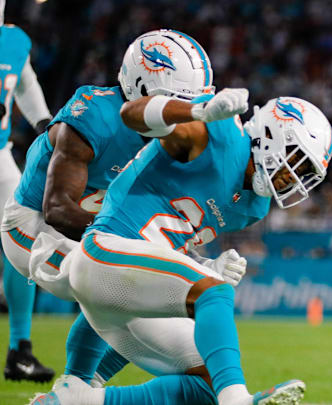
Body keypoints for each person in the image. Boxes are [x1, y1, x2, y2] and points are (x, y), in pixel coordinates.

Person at [28, 87, 332, 405]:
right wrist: (197, 112)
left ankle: (75, 398)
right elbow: (131, 113)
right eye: (296, 162)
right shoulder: (220, 134)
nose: (294, 178)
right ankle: (237, 400)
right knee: (213, 292)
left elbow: (167, 241)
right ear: (272, 134)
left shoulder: (253, 206)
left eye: (304, 173)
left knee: (206, 384)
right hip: (105, 249)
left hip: (126, 283)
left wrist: (202, 264)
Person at [1, 28, 218, 388]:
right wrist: (134, 247)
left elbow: (152, 218)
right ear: (146, 89)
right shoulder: (95, 117)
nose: (184, 115)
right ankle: (81, 385)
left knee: (178, 296)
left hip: (92, 234)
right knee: (123, 284)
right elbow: (58, 209)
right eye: (178, 101)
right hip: (34, 230)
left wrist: (193, 258)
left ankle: (82, 386)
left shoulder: (167, 140)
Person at [0, 0, 55, 382]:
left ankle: (20, 349)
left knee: (24, 236)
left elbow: (25, 82)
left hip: (0, 154)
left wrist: (46, 125)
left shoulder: (14, 40)